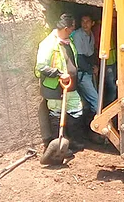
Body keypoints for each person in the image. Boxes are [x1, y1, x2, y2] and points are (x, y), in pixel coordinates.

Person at [35, 13, 84, 151]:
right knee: (57, 113)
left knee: (76, 109)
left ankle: (72, 141)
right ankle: (58, 144)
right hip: (55, 87)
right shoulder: (48, 44)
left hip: (71, 85)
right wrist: (59, 74)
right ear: (66, 28)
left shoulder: (69, 41)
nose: (74, 30)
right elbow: (41, 67)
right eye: (72, 28)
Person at [72, 15, 99, 114]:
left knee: (87, 101)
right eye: (83, 21)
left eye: (88, 21)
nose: (85, 24)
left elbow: (91, 53)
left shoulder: (91, 34)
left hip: (87, 70)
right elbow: (79, 58)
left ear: (92, 23)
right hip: (81, 73)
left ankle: (89, 122)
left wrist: (94, 66)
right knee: (96, 101)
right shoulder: (78, 35)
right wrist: (90, 70)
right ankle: (96, 126)